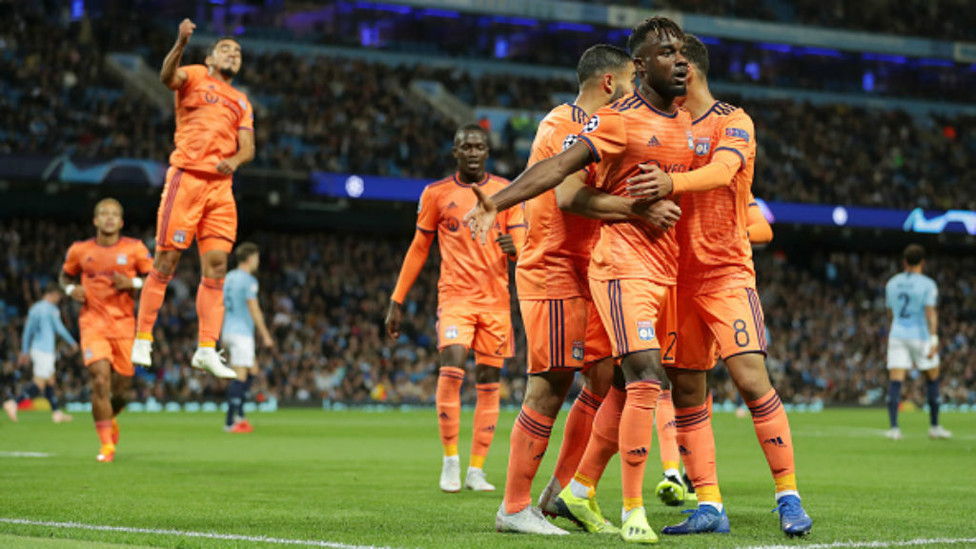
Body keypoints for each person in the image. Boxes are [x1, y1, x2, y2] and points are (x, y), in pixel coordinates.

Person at [467, 15, 691, 543]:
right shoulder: (564, 124)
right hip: (554, 267)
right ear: (611, 83)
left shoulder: (619, 126)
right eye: (631, 82)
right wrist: (638, 210)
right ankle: (515, 506)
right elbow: (565, 196)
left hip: (589, 267)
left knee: (606, 379)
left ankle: (566, 493)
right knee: (550, 385)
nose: (637, 91)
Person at [625, 34, 811, 537]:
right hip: (673, 277)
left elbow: (724, 170)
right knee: (686, 388)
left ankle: (788, 495)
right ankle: (709, 504)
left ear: (689, 67)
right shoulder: (666, 124)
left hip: (726, 273)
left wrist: (670, 183)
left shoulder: (734, 120)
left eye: (672, 61)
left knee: (751, 378)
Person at [386, 124, 526, 495]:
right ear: (455, 152)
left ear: (487, 152)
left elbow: (526, 244)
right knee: (451, 365)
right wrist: (396, 300)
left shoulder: (507, 192)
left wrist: (517, 248)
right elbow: (418, 248)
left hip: (496, 301)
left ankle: (476, 470)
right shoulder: (436, 194)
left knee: (490, 382)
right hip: (455, 298)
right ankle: (450, 461)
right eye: (467, 147)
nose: (473, 152)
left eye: (479, 146)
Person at [131, 18, 254, 379]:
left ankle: (205, 349)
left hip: (220, 189)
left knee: (217, 267)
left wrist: (234, 160)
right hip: (187, 179)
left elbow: (248, 147)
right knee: (166, 261)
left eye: (239, 52)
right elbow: (167, 77)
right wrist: (181, 41)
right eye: (227, 49)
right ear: (211, 58)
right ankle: (142, 338)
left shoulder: (242, 101)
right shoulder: (196, 75)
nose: (234, 54)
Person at [61, 198, 153, 462]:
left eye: (114, 214)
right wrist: (70, 290)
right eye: (104, 214)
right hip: (92, 324)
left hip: (124, 326)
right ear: (96, 220)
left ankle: (109, 418)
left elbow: (155, 280)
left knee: (122, 392)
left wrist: (133, 282)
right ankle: (106, 447)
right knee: (100, 380)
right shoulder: (80, 250)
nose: (109, 218)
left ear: (121, 221)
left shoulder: (135, 249)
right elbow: (65, 276)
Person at [885, 244, 948, 440]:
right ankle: (934, 426)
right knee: (932, 377)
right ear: (922, 262)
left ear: (904, 262)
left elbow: (890, 313)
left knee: (896, 380)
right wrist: (934, 339)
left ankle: (894, 428)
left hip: (897, 334)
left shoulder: (892, 283)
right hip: (920, 335)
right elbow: (930, 312)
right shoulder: (928, 284)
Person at [221, 242, 273, 433]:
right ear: (250, 258)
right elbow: (254, 308)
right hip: (241, 332)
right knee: (241, 375)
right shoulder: (249, 280)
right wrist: (265, 335)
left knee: (252, 370)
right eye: (257, 258)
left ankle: (240, 416)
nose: (258, 262)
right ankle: (230, 422)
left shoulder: (229, 277)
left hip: (228, 329)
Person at [18, 285, 78, 424]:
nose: (58, 300)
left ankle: (56, 413)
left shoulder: (34, 309)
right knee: (40, 383)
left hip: (36, 349)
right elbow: (60, 328)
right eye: (58, 297)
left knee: (50, 381)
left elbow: (28, 332)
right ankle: (15, 402)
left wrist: (25, 351)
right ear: (54, 294)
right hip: (45, 350)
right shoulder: (51, 310)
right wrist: (72, 342)